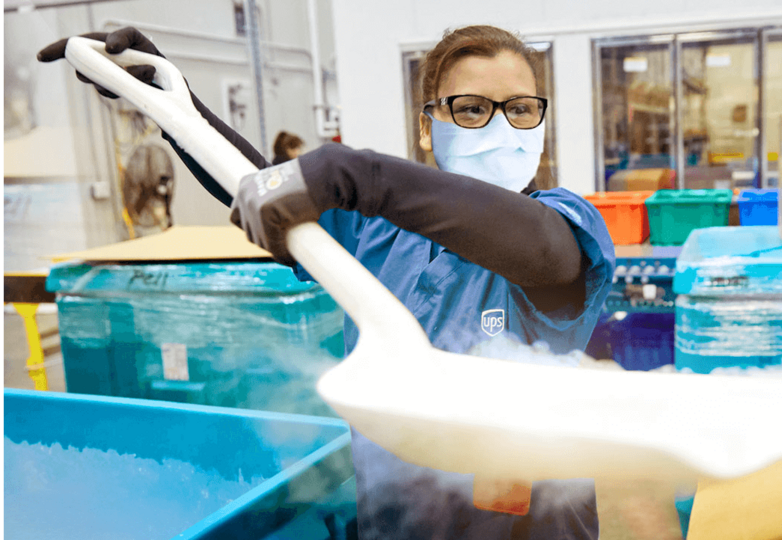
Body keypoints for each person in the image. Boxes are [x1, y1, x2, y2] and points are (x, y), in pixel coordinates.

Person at [40, 24, 615, 540]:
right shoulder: (381, 236)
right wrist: (178, 109)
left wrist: (362, 174)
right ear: (426, 127)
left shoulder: (562, 222)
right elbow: (263, 189)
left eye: (520, 109)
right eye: (470, 109)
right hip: (394, 522)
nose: (500, 127)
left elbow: (544, 253)